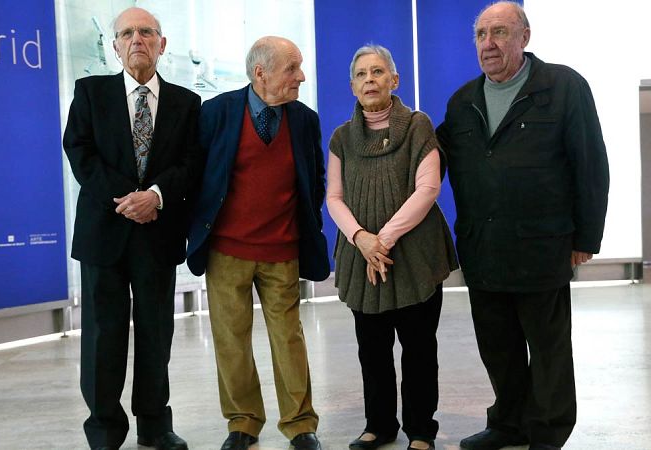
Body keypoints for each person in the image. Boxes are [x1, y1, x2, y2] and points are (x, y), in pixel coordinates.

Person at [436, 2, 610, 450]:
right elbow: (429, 162)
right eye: (480, 35)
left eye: (499, 32)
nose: (488, 44)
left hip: (543, 244)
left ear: (524, 38)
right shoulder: (462, 102)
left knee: (549, 349)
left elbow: (590, 164)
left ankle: (547, 433)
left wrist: (586, 237)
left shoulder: (564, 86)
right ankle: (507, 423)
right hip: (483, 247)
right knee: (498, 346)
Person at [63, 7, 201, 450]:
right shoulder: (90, 93)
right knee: (103, 336)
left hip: (158, 233)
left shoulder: (187, 102)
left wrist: (155, 196)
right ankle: (104, 429)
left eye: (146, 32)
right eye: (127, 33)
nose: (137, 39)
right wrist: (128, 199)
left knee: (156, 333)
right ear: (115, 45)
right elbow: (80, 151)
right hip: (104, 232)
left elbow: (192, 164)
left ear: (162, 44)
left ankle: (155, 426)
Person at [186, 36, 329, 450]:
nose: (301, 76)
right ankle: (243, 423)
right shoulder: (216, 113)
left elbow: (313, 179)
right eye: (292, 68)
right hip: (226, 251)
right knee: (231, 340)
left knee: (289, 339)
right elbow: (199, 178)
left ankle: (301, 425)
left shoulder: (304, 119)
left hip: (282, 251)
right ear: (260, 73)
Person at [326, 45, 458, 450]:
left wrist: (382, 239)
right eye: (362, 74)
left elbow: (429, 188)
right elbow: (334, 197)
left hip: (414, 256)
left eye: (378, 72)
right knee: (373, 349)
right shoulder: (342, 138)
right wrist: (361, 239)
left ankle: (420, 430)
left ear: (394, 81)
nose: (370, 79)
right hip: (362, 256)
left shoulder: (419, 126)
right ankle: (379, 425)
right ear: (352, 86)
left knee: (419, 349)